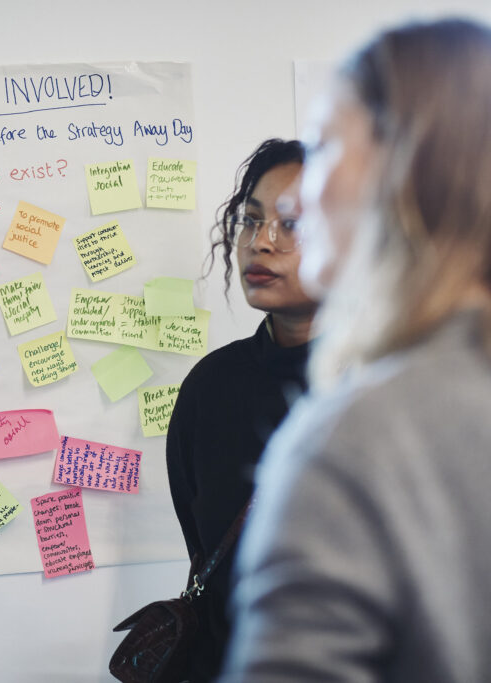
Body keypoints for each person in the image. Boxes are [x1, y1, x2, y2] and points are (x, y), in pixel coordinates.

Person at [222, 19, 491, 682]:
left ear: (401, 166)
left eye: (324, 147)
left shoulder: (354, 439)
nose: (293, 201)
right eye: (253, 217)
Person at [164, 138, 318, 682]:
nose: (261, 243)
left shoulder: (393, 391)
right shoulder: (210, 388)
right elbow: (205, 556)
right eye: (251, 221)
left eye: (292, 224)